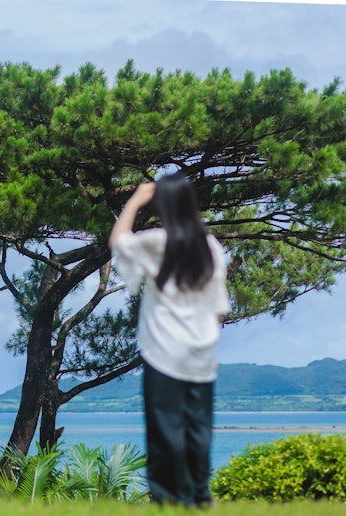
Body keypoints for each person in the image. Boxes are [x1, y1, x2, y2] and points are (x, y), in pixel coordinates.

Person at [108, 173, 231, 507]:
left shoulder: (159, 242)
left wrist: (135, 200)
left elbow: (119, 241)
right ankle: (199, 495)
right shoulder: (212, 248)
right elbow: (216, 306)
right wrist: (212, 349)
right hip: (201, 350)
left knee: (165, 429)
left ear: (162, 203)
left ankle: (168, 498)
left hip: (163, 349)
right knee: (198, 428)